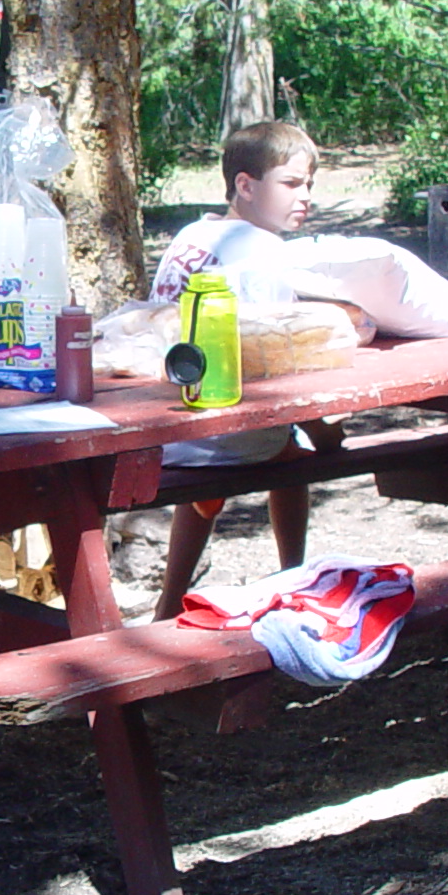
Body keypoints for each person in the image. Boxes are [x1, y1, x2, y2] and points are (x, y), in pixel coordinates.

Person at [146, 121, 322, 621]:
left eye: (309, 184)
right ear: (245, 186)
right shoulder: (265, 252)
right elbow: (281, 358)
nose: (304, 196)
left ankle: (168, 599)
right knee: (298, 446)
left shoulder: (191, 233)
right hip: (225, 431)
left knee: (270, 444)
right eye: (291, 184)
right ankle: (294, 574)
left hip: (170, 421)